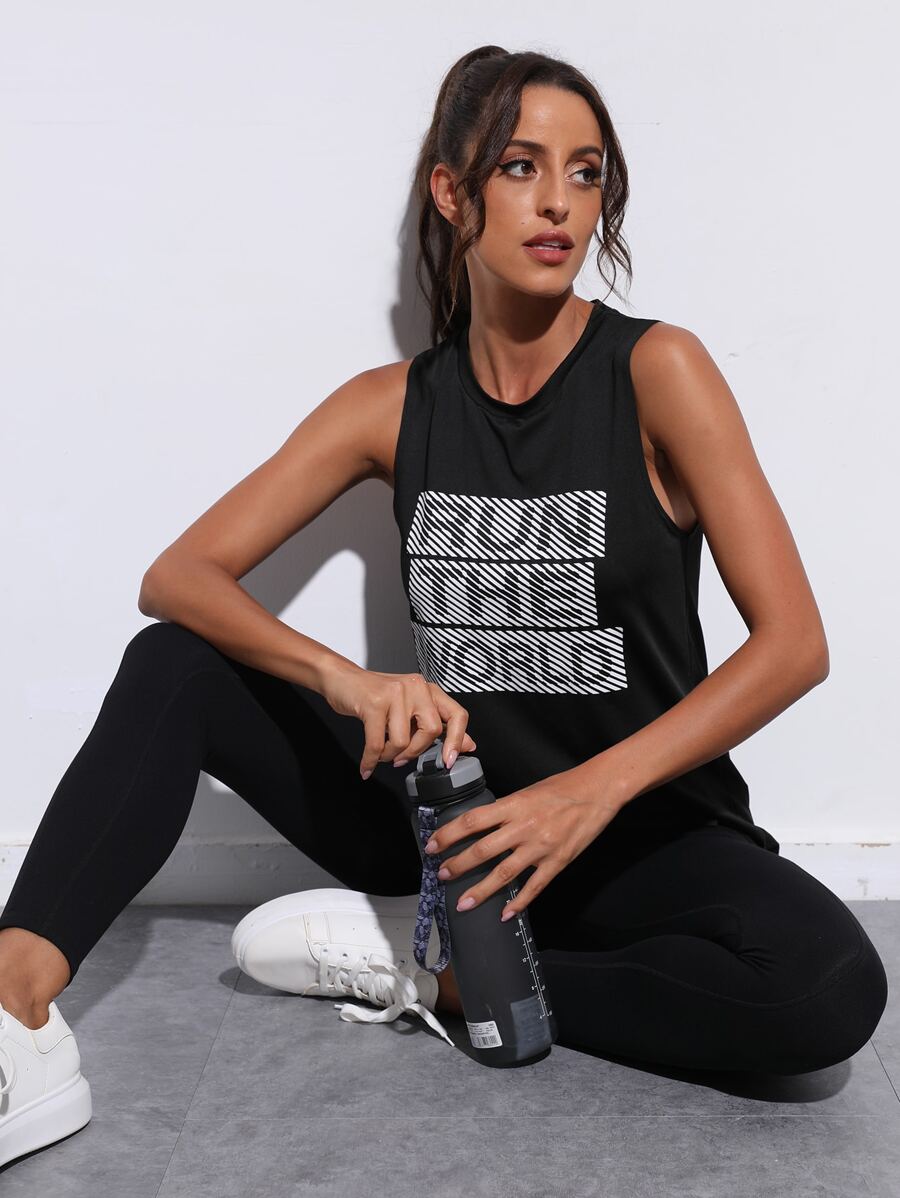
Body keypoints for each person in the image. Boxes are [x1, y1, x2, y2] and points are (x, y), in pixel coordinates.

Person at [0, 45, 888, 1169]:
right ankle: (14, 1010)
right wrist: (347, 679)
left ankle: (436, 971)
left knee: (824, 993)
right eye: (521, 166)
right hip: (451, 829)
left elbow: (795, 643)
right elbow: (179, 575)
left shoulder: (658, 370)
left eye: (586, 172)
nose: (559, 201)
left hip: (635, 835)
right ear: (454, 194)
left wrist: (584, 794)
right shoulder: (392, 407)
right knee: (174, 662)